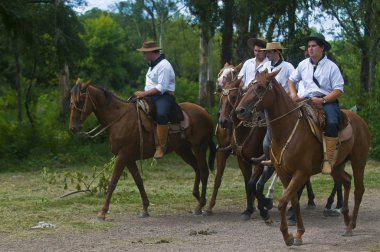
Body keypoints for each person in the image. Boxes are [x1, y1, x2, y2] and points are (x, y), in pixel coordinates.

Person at [288, 32, 344, 175]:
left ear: (322, 48)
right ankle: (278, 154)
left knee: (331, 122)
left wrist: (323, 99)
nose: (310, 49)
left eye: (314, 46)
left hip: (326, 101)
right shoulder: (302, 64)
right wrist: (294, 95)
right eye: (309, 46)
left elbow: (338, 90)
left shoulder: (332, 67)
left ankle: (328, 160)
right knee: (284, 116)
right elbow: (291, 80)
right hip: (305, 100)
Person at [135, 41, 176, 159]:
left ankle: (161, 146)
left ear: (151, 52)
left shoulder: (164, 65)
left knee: (161, 114)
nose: (143, 55)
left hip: (164, 96)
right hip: (150, 96)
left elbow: (161, 88)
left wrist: (143, 93)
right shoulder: (152, 65)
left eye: (144, 52)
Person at [257, 42, 295, 166]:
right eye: (266, 52)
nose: (266, 54)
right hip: (267, 103)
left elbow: (294, 84)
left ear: (277, 52)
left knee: (267, 142)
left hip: (283, 105)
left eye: (269, 52)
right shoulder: (265, 66)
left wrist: (289, 96)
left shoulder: (288, 67)